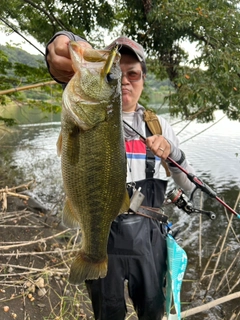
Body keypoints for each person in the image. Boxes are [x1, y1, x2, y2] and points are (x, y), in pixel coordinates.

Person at [45, 32, 196, 320]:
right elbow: (60, 53)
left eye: (133, 74)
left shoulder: (158, 124)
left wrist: (172, 153)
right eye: (115, 73)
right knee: (107, 313)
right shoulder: (81, 108)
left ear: (143, 79)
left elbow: (189, 184)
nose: (125, 80)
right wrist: (60, 42)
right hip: (105, 238)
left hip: (150, 241)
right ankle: (92, 259)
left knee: (152, 311)